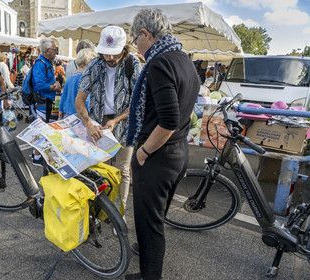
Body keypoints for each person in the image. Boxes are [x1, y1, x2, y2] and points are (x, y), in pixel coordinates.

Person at [126, 8, 200, 280]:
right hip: (179, 153)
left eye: (136, 40)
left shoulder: (159, 62)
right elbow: (187, 111)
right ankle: (148, 264)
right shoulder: (183, 58)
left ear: (145, 34)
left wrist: (142, 153)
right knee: (156, 220)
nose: (137, 47)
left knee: (149, 225)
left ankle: (150, 276)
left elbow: (168, 121)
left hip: (158, 155)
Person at [75, 26, 141, 213]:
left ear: (124, 48)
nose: (110, 58)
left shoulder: (133, 64)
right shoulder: (94, 64)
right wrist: (88, 124)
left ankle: (120, 212)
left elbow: (137, 103)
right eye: (106, 53)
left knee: (123, 169)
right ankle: (99, 209)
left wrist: (117, 120)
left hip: (125, 122)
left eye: (114, 53)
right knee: (98, 167)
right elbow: (79, 100)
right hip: (98, 122)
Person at [31, 38, 61, 166]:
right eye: (55, 50)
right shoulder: (40, 63)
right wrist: (55, 86)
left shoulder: (46, 62)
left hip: (46, 101)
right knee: (41, 129)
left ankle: (36, 154)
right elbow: (40, 85)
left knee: (43, 128)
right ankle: (37, 158)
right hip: (42, 101)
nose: (56, 52)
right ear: (48, 50)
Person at [58, 48, 96, 120]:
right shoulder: (86, 77)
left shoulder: (71, 76)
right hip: (80, 117)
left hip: (67, 116)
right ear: (86, 61)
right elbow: (86, 101)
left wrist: (60, 116)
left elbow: (63, 98)